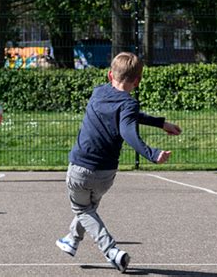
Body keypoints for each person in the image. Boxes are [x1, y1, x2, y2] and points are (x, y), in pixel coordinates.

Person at [55, 52, 182, 273]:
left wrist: (151, 153)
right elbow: (128, 119)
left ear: (109, 74)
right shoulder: (128, 104)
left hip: (80, 168)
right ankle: (72, 239)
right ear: (137, 81)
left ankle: (112, 251)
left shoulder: (98, 93)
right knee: (89, 208)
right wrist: (161, 124)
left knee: (82, 209)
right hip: (105, 175)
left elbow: (127, 129)